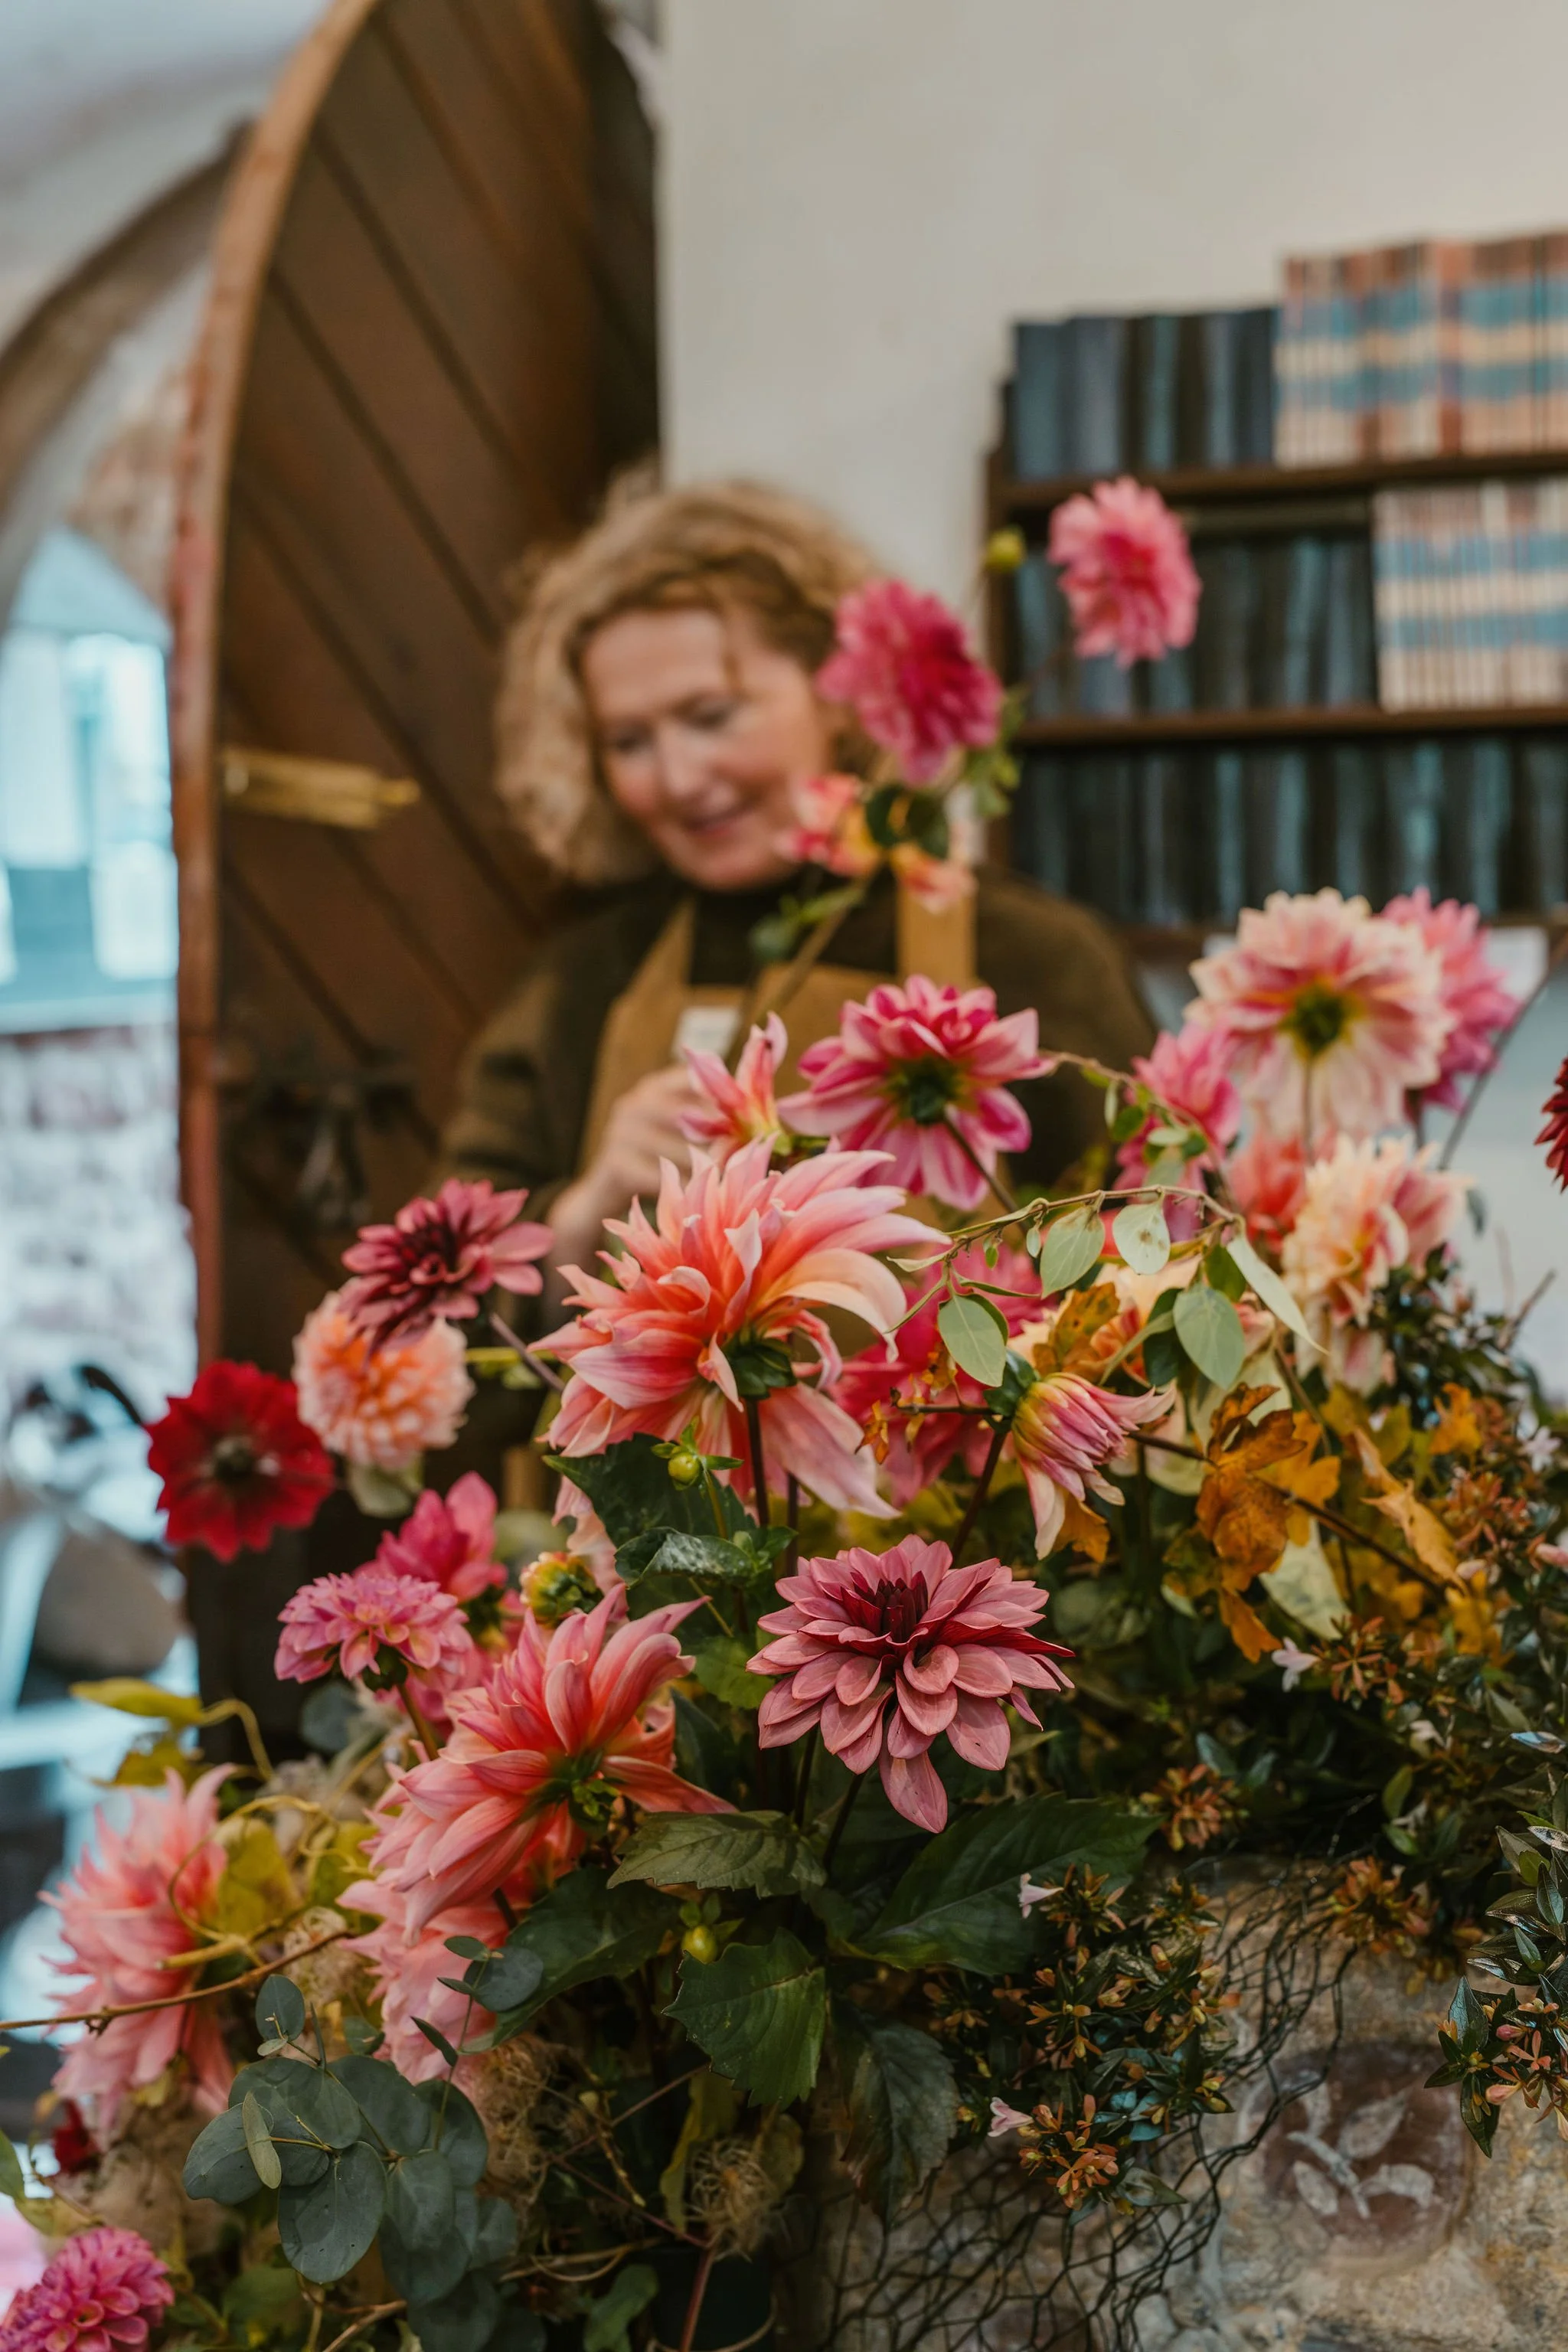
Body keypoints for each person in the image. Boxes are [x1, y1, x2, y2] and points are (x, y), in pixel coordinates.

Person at [440, 479, 1155, 1294]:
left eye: (710, 716)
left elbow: (1153, 1259)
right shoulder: (579, 984)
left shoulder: (1032, 955)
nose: (676, 778)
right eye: (628, 740)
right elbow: (439, 1314)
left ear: (840, 693)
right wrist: (580, 1214)